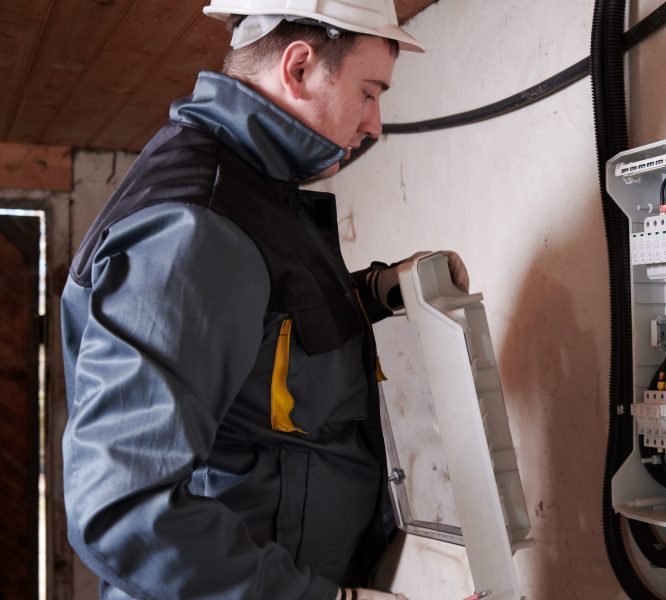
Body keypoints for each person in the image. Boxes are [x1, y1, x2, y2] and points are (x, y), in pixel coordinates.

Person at [60, 2, 467, 598]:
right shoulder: (195, 225)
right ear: (299, 67)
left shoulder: (250, 195)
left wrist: (377, 293)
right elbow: (121, 512)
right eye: (369, 92)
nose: (375, 123)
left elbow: (265, 337)